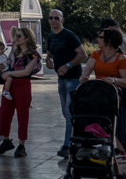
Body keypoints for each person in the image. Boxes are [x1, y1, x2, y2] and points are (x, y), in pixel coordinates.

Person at [81, 28, 126, 175]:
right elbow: (87, 69)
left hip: (119, 98)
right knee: (99, 128)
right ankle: (102, 156)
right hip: (100, 97)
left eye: (100, 37)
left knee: (120, 131)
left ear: (109, 41)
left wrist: (114, 80)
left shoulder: (121, 58)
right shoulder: (96, 54)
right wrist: (84, 77)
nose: (97, 39)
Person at [45, 8, 87, 158]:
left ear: (62, 20)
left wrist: (68, 65)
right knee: (66, 112)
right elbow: (50, 53)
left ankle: (67, 145)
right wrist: (48, 60)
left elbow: (83, 54)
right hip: (61, 79)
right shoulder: (51, 37)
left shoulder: (69, 35)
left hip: (73, 78)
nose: (53, 21)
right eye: (51, 18)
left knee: (70, 113)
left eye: (57, 18)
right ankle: (78, 139)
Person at [0, 28, 41, 158]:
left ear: (27, 38)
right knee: (4, 112)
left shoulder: (33, 55)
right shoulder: (14, 52)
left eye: (19, 36)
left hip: (22, 85)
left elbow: (26, 72)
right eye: (16, 36)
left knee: (22, 114)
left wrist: (9, 73)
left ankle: (22, 144)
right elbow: (8, 64)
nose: (16, 38)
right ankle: (6, 140)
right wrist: (1, 67)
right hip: (10, 84)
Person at [101, 18, 126, 139]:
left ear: (110, 28)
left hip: (122, 84)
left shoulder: (120, 42)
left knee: (121, 122)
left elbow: (119, 63)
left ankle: (124, 149)